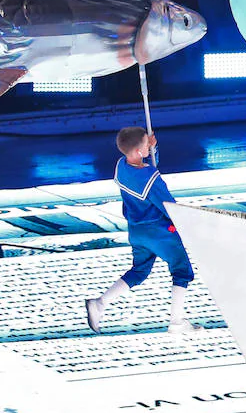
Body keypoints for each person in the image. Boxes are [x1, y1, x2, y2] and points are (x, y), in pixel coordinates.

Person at [85, 128, 200, 334]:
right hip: (158, 231)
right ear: (138, 151)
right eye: (147, 143)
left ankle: (100, 303)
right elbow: (167, 204)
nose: (150, 144)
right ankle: (176, 322)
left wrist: (151, 149)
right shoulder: (150, 177)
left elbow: (145, 165)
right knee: (182, 270)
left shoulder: (120, 166)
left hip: (136, 230)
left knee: (139, 271)